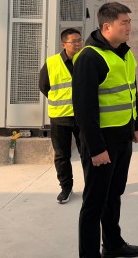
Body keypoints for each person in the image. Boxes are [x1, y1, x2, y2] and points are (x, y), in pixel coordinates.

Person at [72, 2, 138, 258]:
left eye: (129, 22)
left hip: (123, 137)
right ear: (107, 26)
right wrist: (96, 148)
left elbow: (131, 90)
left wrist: (135, 125)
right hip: (102, 143)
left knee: (114, 195)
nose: (129, 27)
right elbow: (84, 109)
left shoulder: (124, 53)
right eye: (124, 23)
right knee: (94, 202)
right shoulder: (90, 57)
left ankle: (113, 245)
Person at [39, 28, 83, 204]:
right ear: (64, 44)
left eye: (80, 40)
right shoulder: (51, 63)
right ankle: (66, 188)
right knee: (62, 155)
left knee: (88, 153)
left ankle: (92, 186)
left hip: (83, 117)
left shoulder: (86, 60)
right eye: (74, 41)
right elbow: (44, 86)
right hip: (60, 118)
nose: (78, 44)